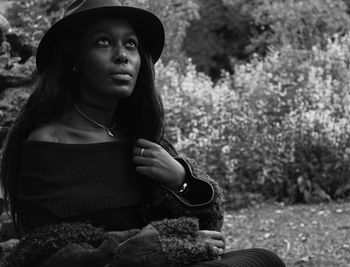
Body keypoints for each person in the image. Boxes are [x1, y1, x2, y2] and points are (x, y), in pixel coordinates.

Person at [0, 0, 286, 266]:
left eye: (131, 44)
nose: (122, 55)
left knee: (262, 259)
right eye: (103, 42)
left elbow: (209, 230)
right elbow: (54, 252)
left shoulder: (138, 136)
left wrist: (180, 180)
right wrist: (166, 244)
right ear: (74, 58)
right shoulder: (48, 144)